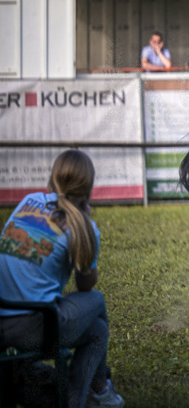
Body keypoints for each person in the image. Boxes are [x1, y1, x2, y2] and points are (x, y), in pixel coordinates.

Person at [0, 150, 124, 407]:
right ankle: (92, 393)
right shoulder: (83, 227)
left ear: (54, 176)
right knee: (97, 301)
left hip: (3, 319)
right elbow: (85, 286)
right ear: (88, 186)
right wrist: (86, 225)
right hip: (34, 325)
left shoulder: (29, 201)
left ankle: (92, 390)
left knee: (98, 330)